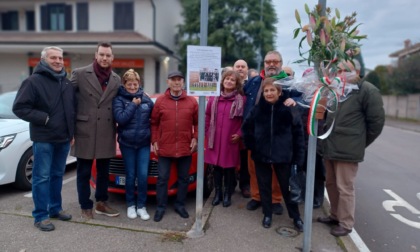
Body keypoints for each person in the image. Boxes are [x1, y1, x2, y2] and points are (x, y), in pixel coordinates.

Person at [317, 60, 385, 237]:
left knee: (345, 187)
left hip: (348, 150)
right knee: (331, 183)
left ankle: (346, 223)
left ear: (357, 70)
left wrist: (359, 143)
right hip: (331, 146)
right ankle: (335, 215)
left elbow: (376, 123)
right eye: (338, 70)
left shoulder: (367, 90)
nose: (341, 73)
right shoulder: (337, 89)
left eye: (345, 70)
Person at [13, 46, 75, 231]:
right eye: (53, 58)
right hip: (44, 139)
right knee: (41, 177)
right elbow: (20, 107)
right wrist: (44, 118)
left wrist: (71, 133)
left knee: (57, 175)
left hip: (63, 139)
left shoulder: (66, 83)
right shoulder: (33, 82)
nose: (58, 61)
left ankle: (55, 208)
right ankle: (40, 216)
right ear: (43, 60)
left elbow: (71, 110)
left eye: (60, 58)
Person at [242, 77, 305, 231]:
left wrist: (297, 157)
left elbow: (298, 134)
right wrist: (253, 146)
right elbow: (246, 128)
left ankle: (296, 217)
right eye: (266, 91)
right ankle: (267, 214)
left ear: (279, 91)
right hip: (261, 155)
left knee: (287, 188)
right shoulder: (257, 109)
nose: (269, 93)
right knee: (264, 186)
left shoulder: (288, 109)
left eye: (272, 90)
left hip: (282, 156)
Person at [71, 42, 121, 219]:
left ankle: (101, 202)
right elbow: (68, 101)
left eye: (108, 55)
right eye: (102, 54)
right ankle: (85, 205)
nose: (104, 58)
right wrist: (70, 130)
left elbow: (121, 101)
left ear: (112, 57)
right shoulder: (80, 73)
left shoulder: (116, 79)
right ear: (96, 54)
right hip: (84, 129)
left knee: (103, 171)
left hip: (106, 131)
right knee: (83, 172)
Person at [243, 51, 296, 215]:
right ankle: (257, 196)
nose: (271, 64)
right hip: (255, 132)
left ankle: (274, 199)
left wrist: (295, 101)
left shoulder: (288, 83)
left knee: (274, 170)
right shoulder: (253, 81)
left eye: (275, 61)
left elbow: (301, 98)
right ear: (264, 63)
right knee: (253, 168)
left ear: (280, 63)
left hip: (276, 134)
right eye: (268, 61)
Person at [151, 70, 198, 222]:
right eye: (173, 79)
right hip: (165, 147)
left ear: (183, 82)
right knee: (163, 179)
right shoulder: (160, 101)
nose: (176, 82)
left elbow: (198, 123)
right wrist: (155, 140)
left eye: (179, 80)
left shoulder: (191, 101)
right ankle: (160, 207)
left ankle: (180, 205)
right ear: (168, 82)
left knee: (183, 179)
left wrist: (196, 137)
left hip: (185, 147)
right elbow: (154, 123)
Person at [112, 69, 154, 220]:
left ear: (139, 84)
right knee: (130, 175)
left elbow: (154, 118)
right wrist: (134, 104)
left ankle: (141, 206)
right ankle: (131, 205)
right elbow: (121, 119)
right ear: (124, 84)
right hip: (127, 143)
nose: (132, 87)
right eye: (129, 84)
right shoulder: (119, 99)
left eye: (135, 84)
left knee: (142, 175)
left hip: (143, 144)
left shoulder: (146, 99)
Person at [205, 70, 246, 207]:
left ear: (237, 84)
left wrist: (240, 134)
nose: (229, 81)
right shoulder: (213, 98)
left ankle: (228, 194)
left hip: (231, 140)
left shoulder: (241, 100)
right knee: (216, 168)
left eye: (232, 80)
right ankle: (218, 194)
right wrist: (206, 132)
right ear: (222, 81)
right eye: (227, 79)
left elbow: (245, 120)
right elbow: (207, 116)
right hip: (215, 139)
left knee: (229, 169)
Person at [233, 59, 251, 198]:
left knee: (245, 159)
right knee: (231, 157)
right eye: (237, 66)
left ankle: (245, 185)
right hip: (231, 126)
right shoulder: (228, 83)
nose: (240, 69)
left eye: (242, 67)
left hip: (247, 128)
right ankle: (230, 184)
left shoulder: (253, 84)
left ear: (247, 69)